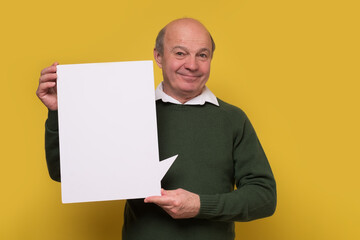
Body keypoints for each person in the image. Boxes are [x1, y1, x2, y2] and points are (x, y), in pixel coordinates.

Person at [36, 18, 276, 240]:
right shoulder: (127, 112)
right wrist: (59, 113)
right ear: (158, 56)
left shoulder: (233, 119)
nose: (192, 65)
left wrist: (200, 205)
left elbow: (264, 197)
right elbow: (65, 173)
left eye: (202, 55)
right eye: (180, 53)